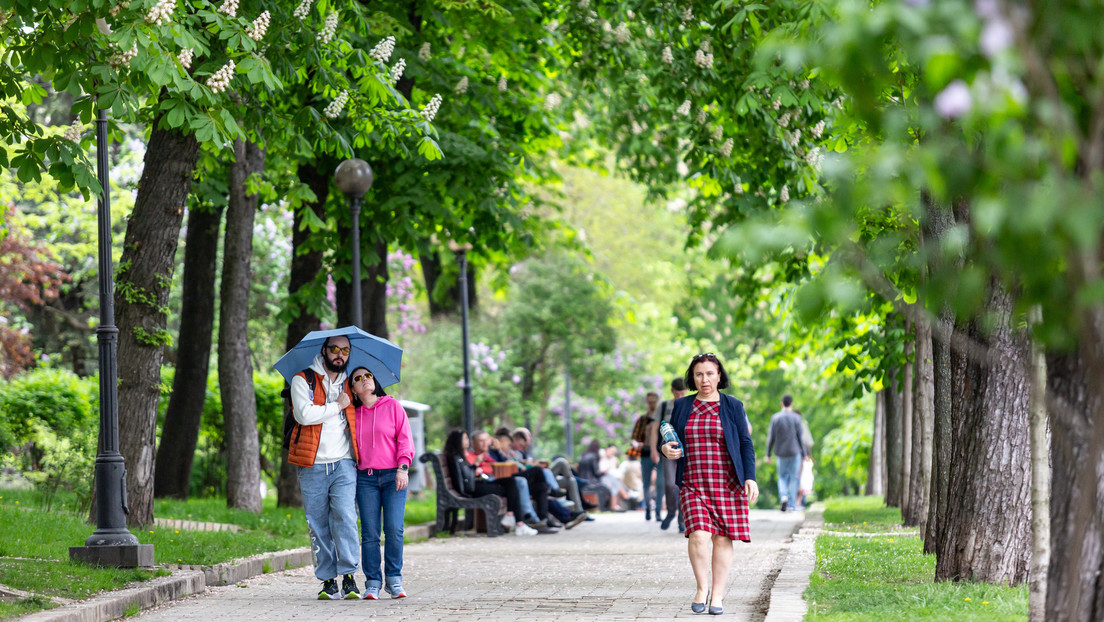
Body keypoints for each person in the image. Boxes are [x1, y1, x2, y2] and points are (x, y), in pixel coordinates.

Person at [661, 353, 759, 616]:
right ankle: (702, 588)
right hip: (693, 481)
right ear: (692, 378)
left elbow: (745, 444)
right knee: (699, 535)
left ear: (719, 376)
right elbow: (670, 437)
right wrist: (665, 449)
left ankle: (717, 595)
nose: (705, 379)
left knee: (722, 539)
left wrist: (750, 477)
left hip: (728, 482)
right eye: (699, 374)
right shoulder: (682, 406)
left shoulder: (733, 406)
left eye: (710, 373)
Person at [288, 335, 362, 600]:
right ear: (324, 350)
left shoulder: (351, 382)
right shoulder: (303, 379)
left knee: (346, 518)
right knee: (318, 523)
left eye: (345, 350)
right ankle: (328, 581)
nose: (340, 355)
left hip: (344, 463)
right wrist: (337, 406)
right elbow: (304, 415)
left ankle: (350, 577)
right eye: (335, 349)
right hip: (313, 465)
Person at [350, 366, 413, 600]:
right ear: (354, 389)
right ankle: (373, 582)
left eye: (368, 376)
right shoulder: (351, 414)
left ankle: (394, 580)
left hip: (392, 475)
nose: (365, 380)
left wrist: (403, 468)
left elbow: (405, 439)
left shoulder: (393, 406)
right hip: (364, 479)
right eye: (359, 378)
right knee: (370, 533)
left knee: (394, 529)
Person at [442, 429, 552, 533]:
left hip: (479, 482)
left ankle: (512, 517)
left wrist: (481, 465)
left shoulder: (464, 456)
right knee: (513, 485)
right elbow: (468, 477)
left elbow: (488, 468)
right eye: (464, 439)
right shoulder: (457, 457)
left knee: (512, 482)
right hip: (472, 487)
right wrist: (477, 465)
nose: (467, 441)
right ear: (458, 441)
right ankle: (519, 523)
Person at [651, 377, 688, 531]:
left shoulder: (690, 405)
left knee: (682, 485)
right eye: (677, 393)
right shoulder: (665, 406)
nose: (679, 396)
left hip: (685, 451)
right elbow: (654, 429)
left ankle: (681, 519)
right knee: (669, 484)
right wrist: (654, 449)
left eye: (682, 393)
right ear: (672, 391)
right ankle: (671, 512)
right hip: (668, 451)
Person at [765, 394, 807, 512]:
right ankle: (792, 504)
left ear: (781, 403)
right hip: (795, 452)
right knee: (794, 477)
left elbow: (771, 437)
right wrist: (804, 454)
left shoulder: (775, 418)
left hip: (781, 453)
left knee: (782, 477)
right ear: (792, 404)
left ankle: (783, 496)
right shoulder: (796, 418)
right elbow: (800, 437)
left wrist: (768, 454)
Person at [631, 392, 660, 519]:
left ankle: (658, 511)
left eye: (654, 401)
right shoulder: (642, 420)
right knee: (646, 483)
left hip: (660, 454)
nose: (652, 404)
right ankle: (648, 508)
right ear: (646, 402)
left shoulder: (661, 418)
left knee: (661, 482)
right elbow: (634, 438)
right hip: (645, 453)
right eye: (650, 402)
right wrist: (638, 444)